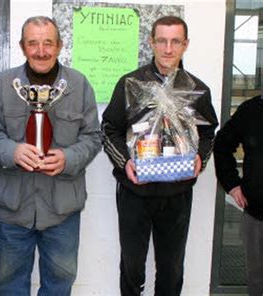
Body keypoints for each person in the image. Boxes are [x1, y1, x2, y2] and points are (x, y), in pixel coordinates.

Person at [0, 16, 101, 295]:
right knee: (9, 285)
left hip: (62, 210)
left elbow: (93, 137)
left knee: (59, 285)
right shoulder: (2, 85)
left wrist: (68, 158)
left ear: (59, 46)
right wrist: (12, 151)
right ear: (22, 46)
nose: (41, 50)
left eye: (48, 43)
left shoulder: (79, 85)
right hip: (12, 208)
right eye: (33, 43)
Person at [101, 16, 218, 296]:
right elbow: (109, 130)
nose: (168, 48)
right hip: (134, 191)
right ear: (151, 43)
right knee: (132, 266)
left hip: (177, 194)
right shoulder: (130, 84)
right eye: (162, 41)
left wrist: (200, 158)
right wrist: (126, 163)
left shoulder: (196, 89)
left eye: (175, 41)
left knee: (172, 267)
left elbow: (208, 133)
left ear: (185, 44)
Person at [214, 94, 263, 296]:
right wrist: (232, 184)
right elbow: (222, 145)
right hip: (257, 218)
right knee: (258, 280)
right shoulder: (250, 110)